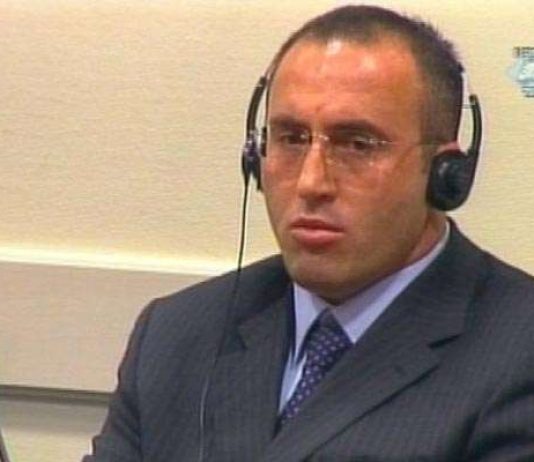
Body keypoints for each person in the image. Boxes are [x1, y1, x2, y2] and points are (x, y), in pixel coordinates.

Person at [84, 5, 534, 461]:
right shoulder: (178, 334)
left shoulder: (520, 352)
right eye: (291, 139)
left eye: (358, 144)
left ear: (444, 173)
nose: (311, 182)